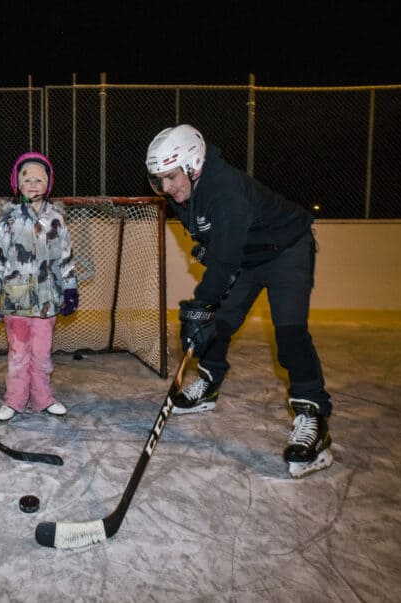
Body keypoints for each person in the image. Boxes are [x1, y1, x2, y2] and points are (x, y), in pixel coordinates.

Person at [145, 124, 333, 478]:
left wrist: (200, 304)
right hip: (249, 257)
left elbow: (225, 261)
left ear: (194, 164)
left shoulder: (226, 190)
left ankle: (313, 419)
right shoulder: (185, 192)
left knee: (289, 334)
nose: (166, 189)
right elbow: (216, 242)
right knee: (217, 323)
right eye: (159, 180)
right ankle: (208, 384)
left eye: (170, 177)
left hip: (288, 250)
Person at [0, 151, 79, 421]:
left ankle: (42, 398)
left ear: (48, 184)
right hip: (17, 302)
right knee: (18, 354)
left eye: (40, 179)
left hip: (48, 303)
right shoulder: (7, 222)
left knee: (42, 354)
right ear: (17, 183)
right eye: (28, 179)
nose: (34, 184)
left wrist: (70, 289)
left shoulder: (57, 221)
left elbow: (66, 260)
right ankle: (14, 400)